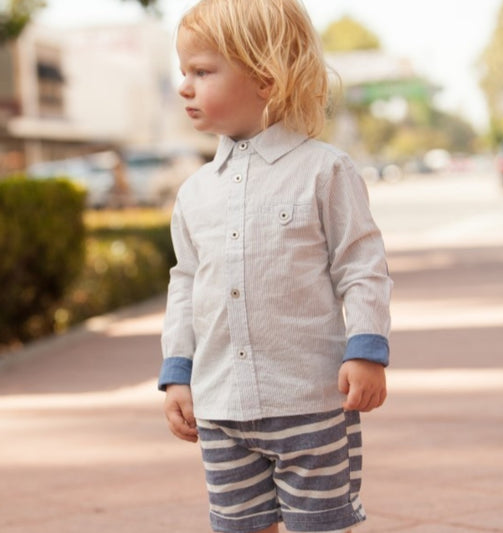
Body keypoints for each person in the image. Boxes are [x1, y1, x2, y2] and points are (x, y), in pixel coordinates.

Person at [159, 1, 393, 532]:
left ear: (265, 79)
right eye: (183, 72)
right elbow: (186, 283)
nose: (184, 86)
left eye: (201, 71)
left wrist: (367, 348)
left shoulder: (325, 171)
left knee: (322, 526)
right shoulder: (194, 193)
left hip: (309, 401)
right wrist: (178, 372)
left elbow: (361, 265)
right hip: (220, 409)